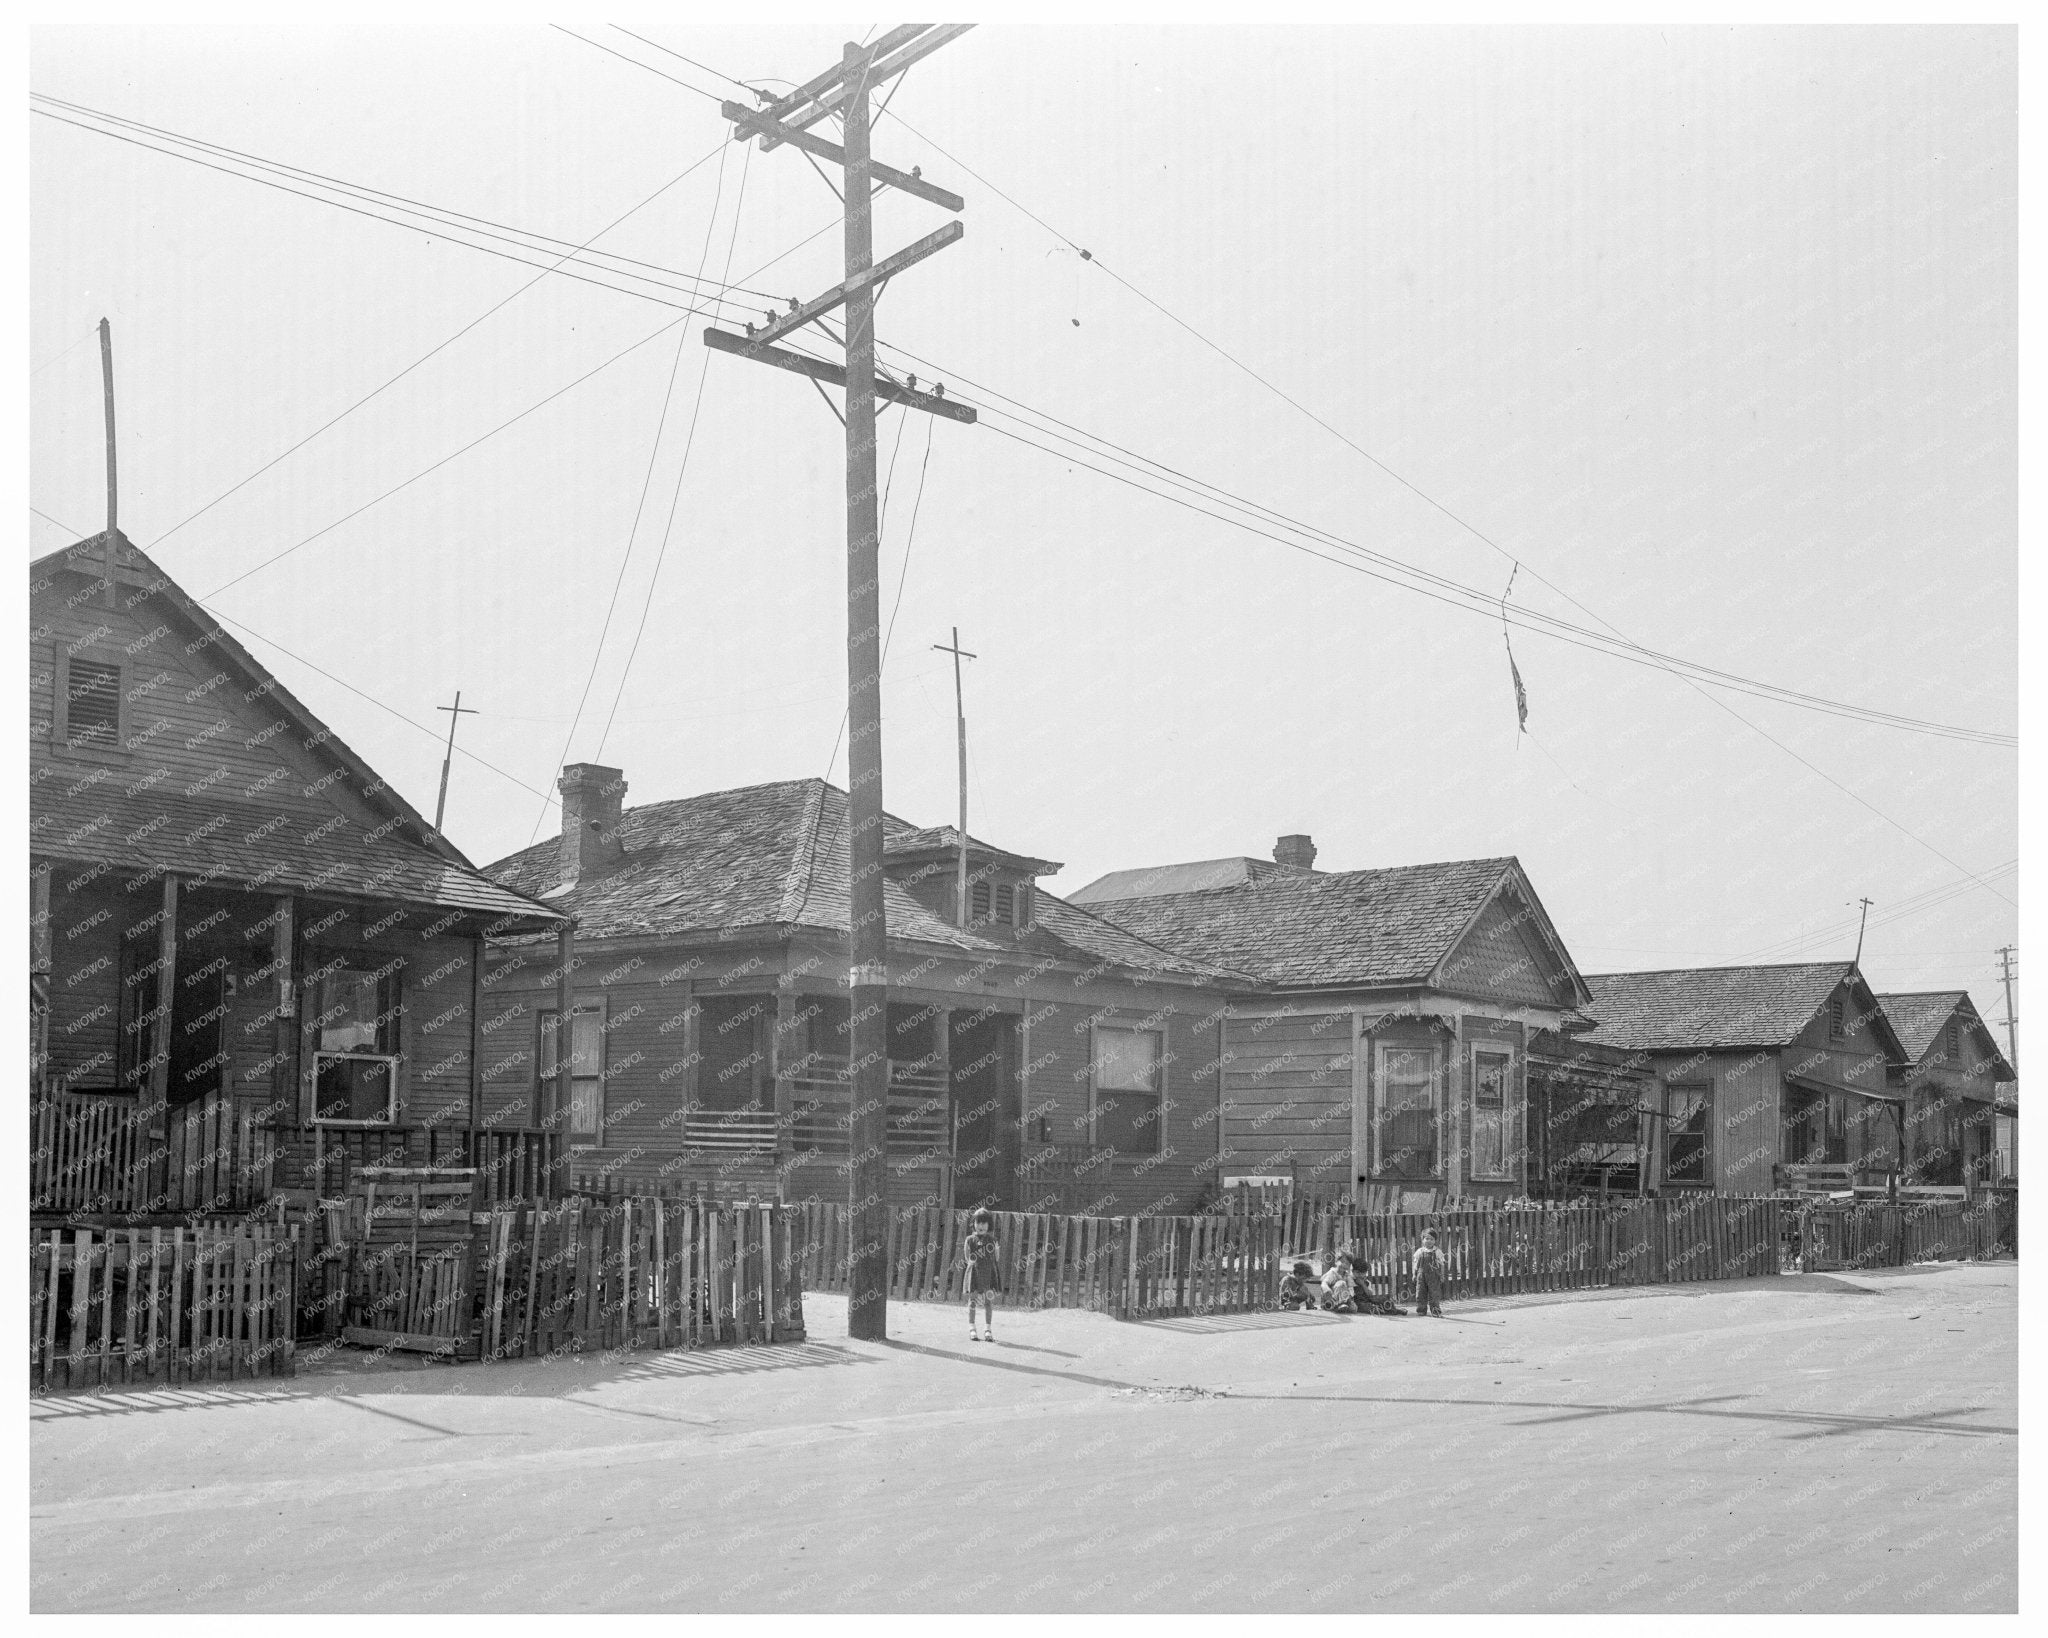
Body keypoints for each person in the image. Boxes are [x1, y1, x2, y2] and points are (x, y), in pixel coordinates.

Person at [963, 1208, 1001, 1341]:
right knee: (972, 1300)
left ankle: (987, 1329)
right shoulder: (969, 1240)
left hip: (988, 1274)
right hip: (974, 1274)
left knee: (988, 1302)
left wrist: (996, 1250)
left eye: (984, 1223)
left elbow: (996, 1258)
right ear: (973, 1223)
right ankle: (972, 1328)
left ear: (989, 1225)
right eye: (978, 1223)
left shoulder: (993, 1240)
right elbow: (967, 1258)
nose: (981, 1226)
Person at [1411, 1230, 1447, 1317]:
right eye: (1427, 1238)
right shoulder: (1420, 1251)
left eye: (1432, 1239)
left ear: (1435, 1241)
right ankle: (1421, 1310)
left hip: (1434, 1276)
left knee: (1434, 1294)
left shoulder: (1437, 1252)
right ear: (1423, 1240)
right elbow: (1415, 1264)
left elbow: (1442, 1264)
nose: (1429, 1241)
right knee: (1420, 1293)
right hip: (1421, 1275)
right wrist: (1414, 1274)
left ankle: (1435, 1311)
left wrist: (1442, 1275)